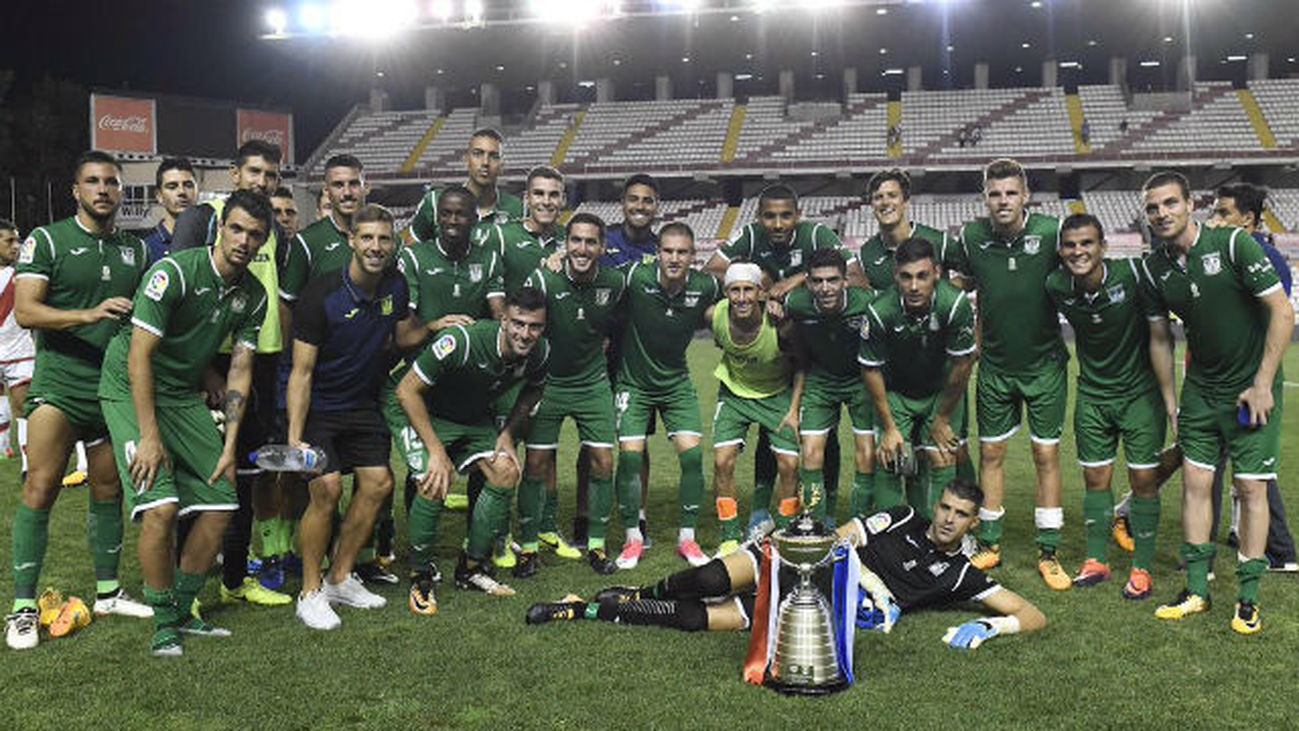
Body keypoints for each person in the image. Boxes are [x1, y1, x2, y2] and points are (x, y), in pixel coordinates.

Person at [526, 479, 1046, 654]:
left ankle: (585, 611)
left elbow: (1032, 613)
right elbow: (845, 535)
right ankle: (639, 589)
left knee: (698, 619)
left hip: (819, 603)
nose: (949, 520)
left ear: (974, 521)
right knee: (708, 578)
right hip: (805, 558)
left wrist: (990, 624)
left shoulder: (961, 574)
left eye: (961, 515)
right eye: (947, 508)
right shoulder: (907, 515)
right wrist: (855, 568)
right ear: (938, 505)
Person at [98, 188, 272, 656]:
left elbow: (239, 369)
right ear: (220, 229)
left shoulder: (253, 297)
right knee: (161, 507)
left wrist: (231, 443)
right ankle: (162, 624)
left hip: (181, 394)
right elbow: (139, 356)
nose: (244, 240)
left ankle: (181, 608)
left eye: (255, 235)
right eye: (236, 228)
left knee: (221, 502)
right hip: (129, 386)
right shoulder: (173, 272)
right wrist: (149, 436)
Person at [6, 151, 152, 651]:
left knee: (108, 488)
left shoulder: (137, 250)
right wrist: (90, 315)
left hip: (111, 389)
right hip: (61, 385)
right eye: (92, 181)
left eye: (112, 182)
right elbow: (26, 311)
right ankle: (23, 607)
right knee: (42, 487)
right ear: (76, 190)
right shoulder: (48, 239)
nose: (104, 190)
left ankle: (109, 591)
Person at [1140, 172, 1293, 634]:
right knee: (1194, 483)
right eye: (1153, 208)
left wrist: (1264, 382)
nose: (1162, 214)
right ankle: (1196, 591)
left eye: (1170, 203)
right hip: (1200, 391)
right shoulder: (1154, 269)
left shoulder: (1232, 246)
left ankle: (1248, 599)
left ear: (1190, 204)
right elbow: (1160, 339)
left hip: (1250, 391)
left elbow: (1282, 312)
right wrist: (1171, 402)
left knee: (1251, 489)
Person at [170, 139, 292, 607]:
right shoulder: (203, 217)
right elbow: (181, 295)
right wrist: (205, 375)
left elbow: (273, 297)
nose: (263, 182)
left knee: (244, 471)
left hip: (259, 360)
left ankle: (236, 578)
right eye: (255, 172)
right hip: (210, 363)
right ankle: (189, 588)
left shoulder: (272, 228)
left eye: (272, 175)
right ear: (233, 172)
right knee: (198, 474)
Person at [943, 158, 1071, 591]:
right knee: (991, 455)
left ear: (1026, 196)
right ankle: (990, 542)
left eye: (1010, 193)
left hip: (1045, 366)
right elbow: (960, 287)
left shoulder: (1052, 233)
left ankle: (1049, 551)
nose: (1002, 201)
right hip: (995, 367)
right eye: (995, 194)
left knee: (1046, 456)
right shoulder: (973, 237)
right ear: (985, 198)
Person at [706, 185, 862, 533]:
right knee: (772, 433)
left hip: (817, 349)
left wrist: (796, 281)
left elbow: (854, 278)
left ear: (798, 216)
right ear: (759, 218)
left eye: (785, 215)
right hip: (778, 343)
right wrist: (760, 283)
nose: (777, 224)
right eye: (770, 216)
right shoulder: (749, 236)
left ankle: (826, 509)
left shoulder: (816, 235)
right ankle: (762, 510)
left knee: (822, 436)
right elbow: (713, 270)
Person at [287, 204, 412, 630]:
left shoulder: (396, 285)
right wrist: (293, 436)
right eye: (368, 238)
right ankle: (309, 592)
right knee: (326, 489)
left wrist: (434, 327)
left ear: (392, 244)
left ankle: (340, 577)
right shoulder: (320, 296)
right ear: (351, 241)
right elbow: (301, 373)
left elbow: (400, 333)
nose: (376, 247)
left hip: (362, 404)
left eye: (384, 239)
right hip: (320, 406)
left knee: (379, 484)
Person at [1045, 214, 1178, 599]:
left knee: (1144, 482)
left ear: (1103, 246)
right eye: (1070, 245)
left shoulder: (1134, 274)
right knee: (1095, 481)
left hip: (1139, 397)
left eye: (1087, 243)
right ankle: (1096, 561)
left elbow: (1164, 332)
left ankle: (1142, 569)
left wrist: (1171, 403)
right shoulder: (1055, 284)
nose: (1078, 251)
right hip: (1092, 396)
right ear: (1061, 251)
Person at [384, 185, 506, 599]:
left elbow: (497, 310)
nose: (454, 221)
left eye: (462, 214)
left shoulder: (488, 257)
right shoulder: (415, 258)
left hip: (467, 385)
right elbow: (404, 334)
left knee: (497, 470)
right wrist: (436, 327)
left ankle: (474, 562)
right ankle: (419, 567)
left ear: (475, 219)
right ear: (437, 218)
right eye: (447, 214)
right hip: (422, 384)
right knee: (430, 478)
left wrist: (510, 334)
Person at [394, 287, 551, 608]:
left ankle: (471, 567)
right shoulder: (464, 342)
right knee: (434, 478)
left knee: (506, 471)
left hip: (469, 415)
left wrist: (507, 433)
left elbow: (533, 391)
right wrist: (437, 452)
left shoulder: (541, 352)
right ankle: (421, 576)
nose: (525, 333)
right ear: (504, 320)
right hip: (418, 406)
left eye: (534, 326)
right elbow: (406, 390)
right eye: (518, 323)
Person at [519, 213, 626, 575]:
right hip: (547, 383)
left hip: (593, 383)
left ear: (602, 246)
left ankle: (596, 545)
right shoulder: (544, 278)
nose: (582, 248)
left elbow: (622, 321)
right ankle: (529, 547)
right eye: (575, 240)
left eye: (590, 242)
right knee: (535, 465)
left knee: (603, 462)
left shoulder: (615, 282)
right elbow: (520, 322)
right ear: (565, 243)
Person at [859, 169, 977, 490]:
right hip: (898, 368)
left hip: (940, 363)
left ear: (906, 201)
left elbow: (973, 272)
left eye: (892, 195)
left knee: (953, 446)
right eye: (878, 197)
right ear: (871, 204)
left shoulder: (936, 241)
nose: (885, 202)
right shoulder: (868, 253)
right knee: (902, 451)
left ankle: (968, 506)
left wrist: (940, 293)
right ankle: (914, 517)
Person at [611, 223, 719, 569]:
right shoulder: (635, 277)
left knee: (691, 458)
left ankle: (687, 539)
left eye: (682, 252)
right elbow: (597, 276)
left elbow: (742, 286)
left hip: (676, 383)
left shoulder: (704, 286)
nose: (674, 258)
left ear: (693, 256)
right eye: (668, 251)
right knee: (629, 459)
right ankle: (633, 538)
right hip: (634, 383)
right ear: (658, 252)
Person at [1203, 183, 1296, 573]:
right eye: (1215, 211)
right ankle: (1244, 537)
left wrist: (1260, 382)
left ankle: (1276, 549)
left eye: (1224, 213)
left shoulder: (1262, 256)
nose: (1215, 220)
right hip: (1235, 375)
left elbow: (1272, 318)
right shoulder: (1243, 252)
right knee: (1230, 463)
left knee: (1233, 466)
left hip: (1247, 379)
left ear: (1249, 220)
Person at [584, 172, 661, 548]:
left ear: (656, 206)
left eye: (647, 200)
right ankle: (585, 515)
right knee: (592, 441)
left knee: (636, 444)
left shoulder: (663, 248)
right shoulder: (604, 240)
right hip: (597, 354)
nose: (640, 206)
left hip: (638, 359)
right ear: (623, 204)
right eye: (634, 199)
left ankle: (638, 516)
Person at [710, 263, 803, 559]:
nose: (741, 297)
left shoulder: (781, 325)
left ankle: (787, 532)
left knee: (789, 466)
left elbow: (801, 366)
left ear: (760, 293)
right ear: (726, 293)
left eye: (748, 290)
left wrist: (794, 409)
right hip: (735, 393)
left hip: (776, 395)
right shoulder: (715, 316)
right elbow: (719, 342)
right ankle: (729, 536)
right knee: (722, 462)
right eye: (734, 290)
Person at [784, 249, 875, 525]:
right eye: (818, 281)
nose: (825, 288)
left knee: (866, 452)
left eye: (833, 280)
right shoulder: (796, 304)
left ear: (846, 281)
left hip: (861, 379)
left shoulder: (868, 303)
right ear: (808, 283)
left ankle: (860, 524)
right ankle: (816, 524)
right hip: (821, 380)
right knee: (810, 451)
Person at [408, 128, 524, 243]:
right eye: (478, 154)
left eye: (494, 156)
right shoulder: (435, 202)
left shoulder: (519, 209)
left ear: (502, 165)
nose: (485, 162)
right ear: (466, 160)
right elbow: (410, 252)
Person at [0, 219, 34, 470]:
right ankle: (3, 448)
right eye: (9, 241)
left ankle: (28, 465)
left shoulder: (25, 275)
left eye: (17, 240)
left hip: (21, 353)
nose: (16, 246)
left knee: (25, 408)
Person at [141, 157, 197, 265]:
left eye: (188, 185)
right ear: (159, 196)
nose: (182, 192)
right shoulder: (146, 248)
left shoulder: (212, 242)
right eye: (172, 187)